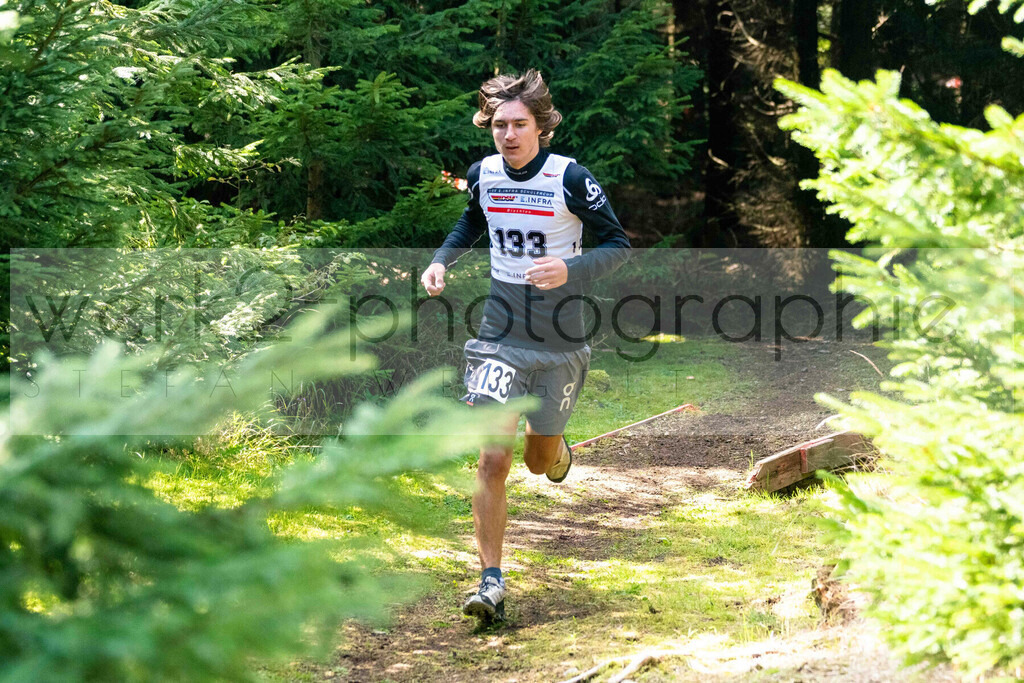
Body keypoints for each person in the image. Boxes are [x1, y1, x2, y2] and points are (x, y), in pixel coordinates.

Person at [420, 69, 630, 623]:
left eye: (519, 124)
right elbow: (470, 222)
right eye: (498, 124)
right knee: (493, 458)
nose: (508, 134)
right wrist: (441, 260)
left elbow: (618, 244)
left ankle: (557, 450)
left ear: (541, 128)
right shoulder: (483, 174)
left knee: (539, 463)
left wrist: (571, 267)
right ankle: (490, 580)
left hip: (561, 338)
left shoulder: (570, 178)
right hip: (499, 332)